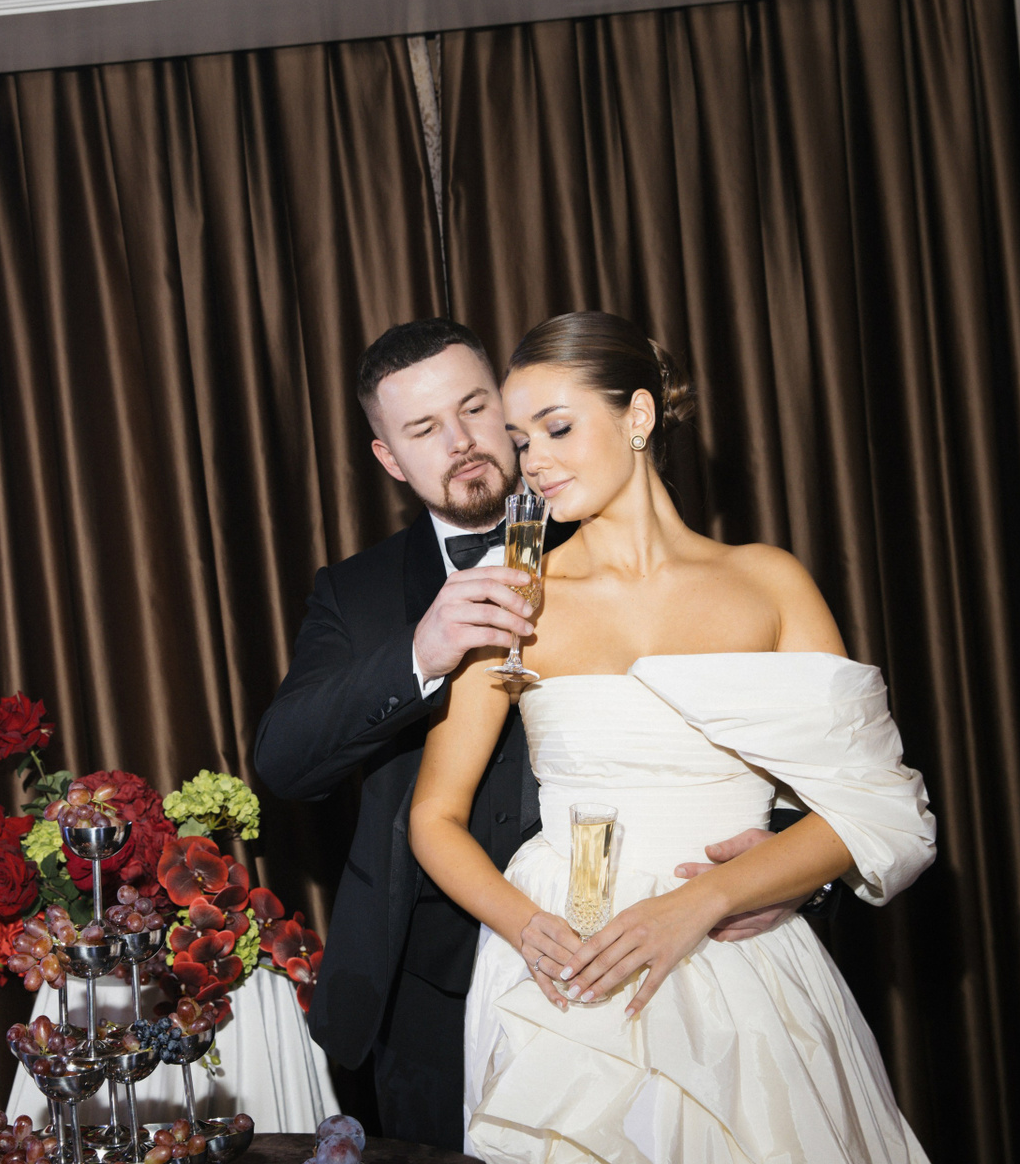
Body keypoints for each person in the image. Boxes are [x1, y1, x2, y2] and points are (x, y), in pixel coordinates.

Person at [254, 319, 824, 1149]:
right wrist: (421, 652)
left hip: (672, 952)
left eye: (475, 408)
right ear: (389, 458)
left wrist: (787, 872)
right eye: (424, 428)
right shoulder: (355, 592)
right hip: (426, 992)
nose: (462, 442)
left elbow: (783, 759)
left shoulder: (605, 518)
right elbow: (284, 761)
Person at [409, 312, 936, 1163]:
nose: (532, 461)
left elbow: (876, 810)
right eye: (521, 439)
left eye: (557, 428)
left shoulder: (767, 582)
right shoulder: (511, 594)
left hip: (738, 953)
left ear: (640, 417)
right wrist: (525, 925)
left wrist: (706, 900)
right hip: (570, 963)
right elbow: (434, 816)